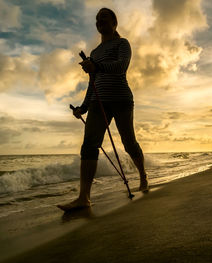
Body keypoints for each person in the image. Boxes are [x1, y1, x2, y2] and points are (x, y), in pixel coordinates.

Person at [58, 7, 148, 211]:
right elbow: (93, 83)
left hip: (122, 100)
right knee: (89, 145)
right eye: (97, 19)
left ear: (115, 22)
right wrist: (82, 108)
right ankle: (84, 198)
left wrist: (96, 67)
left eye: (104, 18)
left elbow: (121, 66)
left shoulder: (122, 43)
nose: (100, 21)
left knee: (129, 143)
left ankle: (143, 175)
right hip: (99, 104)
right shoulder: (94, 53)